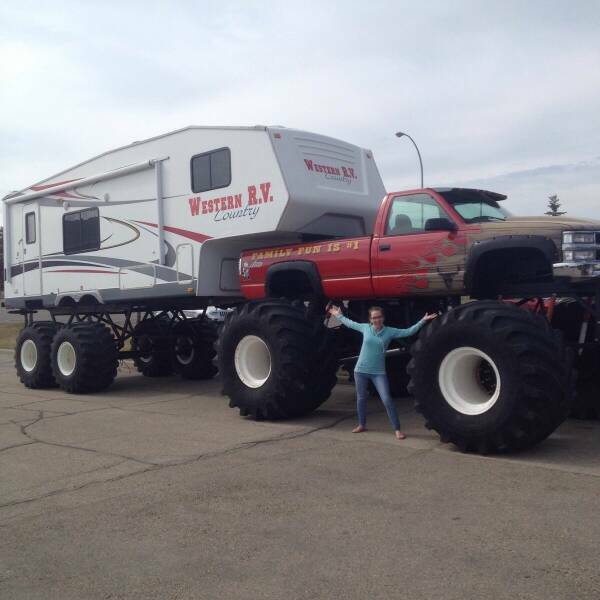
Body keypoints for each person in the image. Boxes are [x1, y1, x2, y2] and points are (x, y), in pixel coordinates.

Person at [328, 304, 437, 440]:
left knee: (386, 399)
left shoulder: (389, 331)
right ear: (370, 319)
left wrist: (423, 321)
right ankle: (361, 424)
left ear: (383, 318)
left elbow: (408, 332)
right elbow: (349, 323)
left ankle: (397, 429)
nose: (377, 320)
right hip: (360, 371)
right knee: (361, 399)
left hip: (378, 373)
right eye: (374, 318)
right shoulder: (365, 328)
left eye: (379, 317)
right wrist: (338, 315)